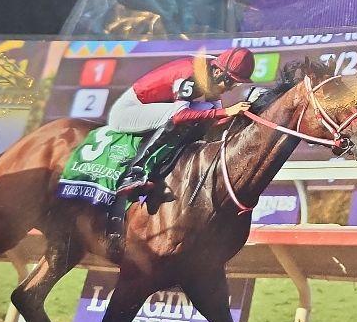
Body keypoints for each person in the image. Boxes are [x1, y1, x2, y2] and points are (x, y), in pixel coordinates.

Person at [102, 48, 255, 256]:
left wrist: (244, 113)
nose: (231, 89)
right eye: (232, 83)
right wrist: (227, 111)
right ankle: (135, 173)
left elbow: (216, 120)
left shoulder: (212, 73)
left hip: (155, 107)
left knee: (206, 113)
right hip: (128, 112)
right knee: (179, 114)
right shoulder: (193, 75)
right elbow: (179, 116)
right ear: (219, 73)